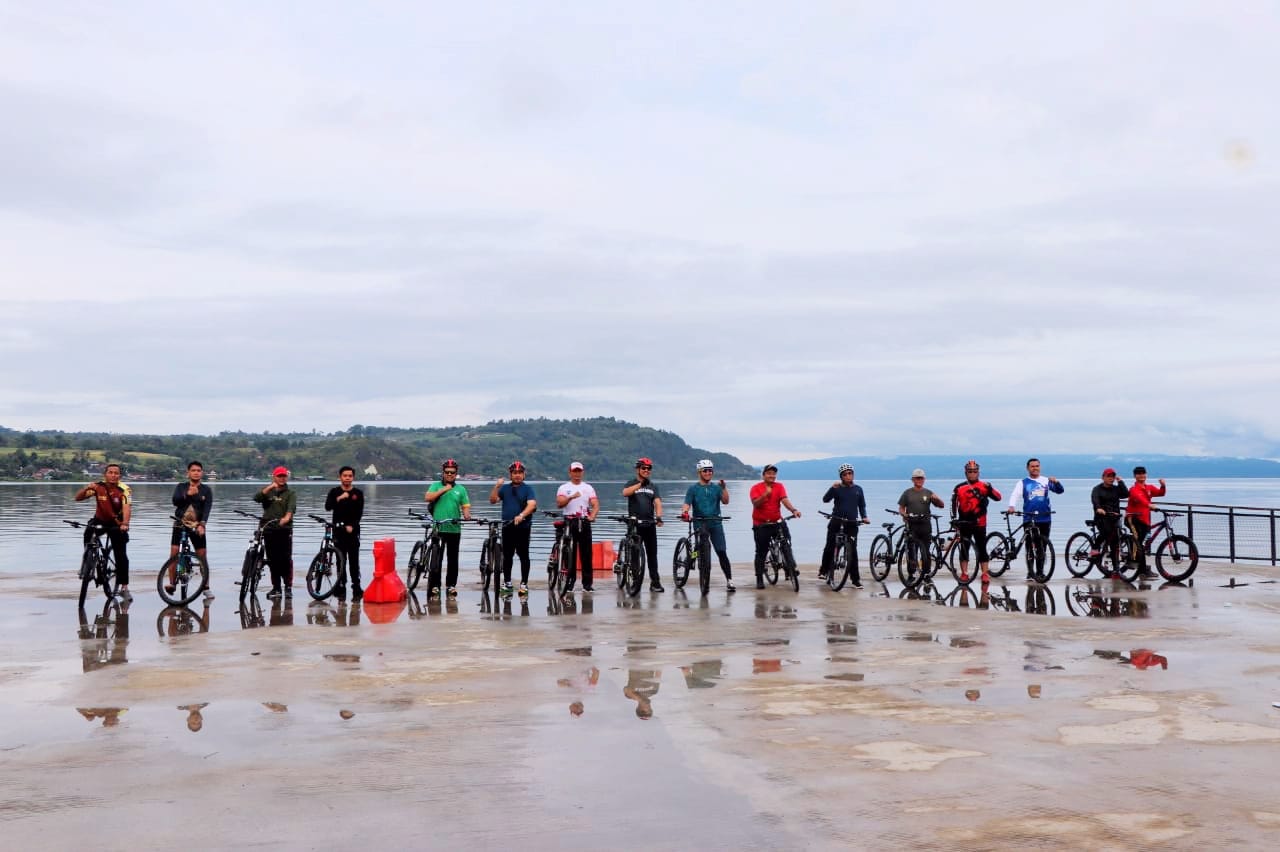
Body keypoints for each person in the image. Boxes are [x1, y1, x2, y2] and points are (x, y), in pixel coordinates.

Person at [74, 462, 132, 602]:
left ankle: (124, 587)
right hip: (99, 520)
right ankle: (87, 562)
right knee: (88, 532)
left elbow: (127, 508)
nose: (113, 475)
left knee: (121, 554)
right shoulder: (98, 487)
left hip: (117, 523)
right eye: (110, 472)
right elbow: (78, 498)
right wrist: (87, 487)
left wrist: (125, 523)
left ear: (120, 475)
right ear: (105, 475)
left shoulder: (124, 489)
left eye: (116, 473)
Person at [680, 459, 735, 592]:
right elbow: (687, 503)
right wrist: (685, 512)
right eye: (705, 470)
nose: (708, 472)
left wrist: (724, 488)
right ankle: (692, 558)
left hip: (715, 523)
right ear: (700, 472)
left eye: (710, 470)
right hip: (699, 522)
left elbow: (726, 501)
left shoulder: (716, 488)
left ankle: (729, 580)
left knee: (722, 552)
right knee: (700, 548)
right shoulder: (693, 488)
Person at [1006, 458, 1064, 580]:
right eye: (1032, 466)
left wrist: (1057, 482)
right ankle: (1030, 572)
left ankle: (1040, 571)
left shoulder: (1046, 481)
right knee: (1030, 546)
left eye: (1037, 466)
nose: (1035, 468)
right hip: (1029, 517)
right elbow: (1015, 495)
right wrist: (1011, 506)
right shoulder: (1023, 482)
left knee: (1042, 546)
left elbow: (1060, 491)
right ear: (1028, 468)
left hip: (1045, 518)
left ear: (1040, 467)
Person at [749, 464, 802, 589]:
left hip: (777, 521)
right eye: (769, 473)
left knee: (786, 543)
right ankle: (759, 578)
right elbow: (755, 504)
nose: (772, 475)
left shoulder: (779, 486)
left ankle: (790, 568)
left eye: (773, 473)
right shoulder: (756, 488)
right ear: (763, 475)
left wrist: (793, 510)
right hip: (761, 524)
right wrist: (765, 495)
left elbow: (784, 500)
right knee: (761, 552)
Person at [425, 459, 472, 598]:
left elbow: (465, 506)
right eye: (447, 472)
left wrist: (467, 515)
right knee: (436, 560)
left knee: (453, 559)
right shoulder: (435, 485)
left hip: (454, 529)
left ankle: (451, 585)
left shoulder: (461, 489)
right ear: (443, 472)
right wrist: (444, 489)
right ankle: (435, 586)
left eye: (453, 472)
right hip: (438, 528)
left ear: (456, 473)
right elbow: (427, 497)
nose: (450, 474)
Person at [950, 460, 1002, 584]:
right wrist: (954, 520)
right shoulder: (959, 487)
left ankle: (984, 574)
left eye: (974, 471)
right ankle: (964, 573)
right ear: (965, 472)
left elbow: (998, 498)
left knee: (982, 548)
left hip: (980, 523)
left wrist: (991, 488)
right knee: (964, 549)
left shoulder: (984, 486)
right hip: (964, 523)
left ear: (978, 472)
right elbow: (953, 505)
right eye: (970, 471)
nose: (972, 474)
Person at [490, 461, 536, 599]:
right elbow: (493, 500)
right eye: (514, 473)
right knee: (508, 556)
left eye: (520, 473)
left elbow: (532, 504)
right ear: (510, 474)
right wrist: (497, 486)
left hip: (523, 528)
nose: (517, 475)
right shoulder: (504, 489)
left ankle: (524, 584)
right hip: (507, 527)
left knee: (524, 556)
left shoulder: (528, 489)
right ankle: (508, 582)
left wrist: (522, 515)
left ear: (524, 474)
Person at [169, 460, 214, 601]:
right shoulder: (181, 486)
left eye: (198, 470)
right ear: (188, 473)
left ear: (202, 473)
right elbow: (175, 501)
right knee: (174, 553)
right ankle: (171, 584)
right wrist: (188, 494)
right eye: (193, 470)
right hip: (180, 523)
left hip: (197, 525)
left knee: (202, 555)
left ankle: (206, 587)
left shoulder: (206, 490)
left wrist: (202, 525)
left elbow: (207, 509)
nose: (196, 472)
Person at [820, 464, 869, 587]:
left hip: (852, 523)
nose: (848, 476)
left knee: (852, 551)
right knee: (829, 546)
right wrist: (832, 488)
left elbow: (862, 505)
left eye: (850, 473)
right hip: (836, 521)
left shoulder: (858, 489)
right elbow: (825, 499)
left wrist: (864, 517)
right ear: (841, 476)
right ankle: (824, 570)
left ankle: (855, 579)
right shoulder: (837, 488)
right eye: (845, 474)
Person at [622, 457, 665, 592]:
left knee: (652, 555)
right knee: (635, 555)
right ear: (638, 469)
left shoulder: (653, 486)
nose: (646, 470)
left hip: (649, 524)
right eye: (644, 468)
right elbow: (625, 493)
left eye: (649, 468)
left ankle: (655, 582)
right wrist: (640, 485)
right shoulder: (631, 483)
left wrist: (658, 517)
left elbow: (657, 502)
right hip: (635, 524)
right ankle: (635, 581)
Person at [254, 466, 297, 600]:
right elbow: (256, 498)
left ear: (287, 477)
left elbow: (291, 508)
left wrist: (287, 517)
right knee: (273, 560)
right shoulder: (268, 492)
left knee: (286, 559)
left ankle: (288, 587)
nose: (282, 478)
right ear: (274, 477)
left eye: (284, 476)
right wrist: (269, 488)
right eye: (279, 476)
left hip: (284, 530)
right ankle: (276, 587)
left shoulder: (290, 493)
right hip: (268, 529)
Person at [556, 462, 599, 594]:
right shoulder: (564, 488)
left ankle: (587, 584)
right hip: (570, 521)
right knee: (570, 554)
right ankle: (570, 582)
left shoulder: (588, 488)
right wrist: (570, 497)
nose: (577, 474)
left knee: (586, 554)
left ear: (582, 472)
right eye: (574, 471)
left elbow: (595, 504)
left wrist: (592, 515)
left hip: (584, 521)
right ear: (570, 472)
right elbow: (559, 504)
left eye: (579, 471)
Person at [326, 466, 366, 602]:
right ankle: (341, 586)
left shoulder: (358, 493)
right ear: (340, 477)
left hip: (353, 532)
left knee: (354, 561)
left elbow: (359, 512)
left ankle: (356, 587)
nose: (347, 478)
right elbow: (327, 507)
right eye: (345, 475)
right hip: (338, 531)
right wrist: (339, 498)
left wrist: (352, 525)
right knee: (340, 560)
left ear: (353, 477)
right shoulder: (334, 492)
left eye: (350, 476)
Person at [898, 469, 945, 582]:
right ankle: (911, 574)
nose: (919, 480)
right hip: (912, 524)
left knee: (926, 550)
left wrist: (937, 499)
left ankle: (926, 573)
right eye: (917, 478)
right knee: (911, 550)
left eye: (921, 478)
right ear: (913, 479)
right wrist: (904, 514)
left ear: (924, 479)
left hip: (925, 524)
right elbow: (901, 507)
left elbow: (941, 505)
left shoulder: (928, 492)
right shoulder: (907, 493)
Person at [1125, 466, 1167, 579]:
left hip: (1145, 520)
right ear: (1135, 476)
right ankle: (1133, 561)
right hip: (1133, 518)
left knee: (1142, 545)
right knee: (1138, 541)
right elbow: (1140, 500)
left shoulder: (1149, 488)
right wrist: (1149, 505)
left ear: (1146, 474)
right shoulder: (1134, 489)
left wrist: (1163, 485)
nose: (1141, 475)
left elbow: (1160, 493)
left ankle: (1143, 569)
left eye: (1143, 473)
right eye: (1138, 474)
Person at [1091, 468, 1130, 576]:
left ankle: (1116, 570)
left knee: (1115, 543)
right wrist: (1098, 508)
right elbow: (1095, 500)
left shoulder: (1116, 489)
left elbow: (1126, 494)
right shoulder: (1097, 489)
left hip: (1114, 517)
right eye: (1108, 476)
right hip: (1102, 517)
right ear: (1103, 477)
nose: (1110, 479)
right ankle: (1095, 548)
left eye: (1112, 476)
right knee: (1105, 533)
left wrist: (1121, 482)